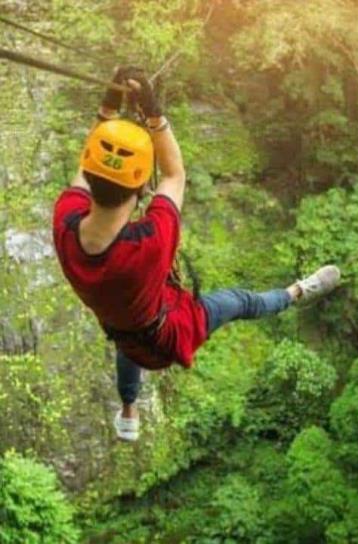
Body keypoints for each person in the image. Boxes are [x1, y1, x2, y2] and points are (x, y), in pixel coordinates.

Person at [52, 67, 340, 442]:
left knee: (128, 350)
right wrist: (152, 112)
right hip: (170, 331)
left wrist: (111, 111)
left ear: (90, 179)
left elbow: (89, 167)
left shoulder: (65, 225)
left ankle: (128, 411)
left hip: (124, 327)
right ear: (141, 188)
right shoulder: (148, 243)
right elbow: (174, 175)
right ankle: (297, 292)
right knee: (240, 302)